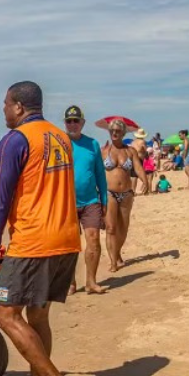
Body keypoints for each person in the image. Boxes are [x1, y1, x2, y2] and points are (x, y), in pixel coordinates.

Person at [0, 81, 79, 376]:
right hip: (65, 237)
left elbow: (0, 200)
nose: (3, 110)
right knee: (38, 317)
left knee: (5, 315)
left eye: (5, 104)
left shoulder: (16, 140)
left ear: (19, 106)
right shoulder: (59, 136)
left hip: (34, 241)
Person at [63, 105, 108, 295]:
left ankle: (91, 282)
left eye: (76, 121)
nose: (72, 124)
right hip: (66, 203)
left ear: (82, 123)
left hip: (91, 201)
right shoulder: (60, 143)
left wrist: (104, 200)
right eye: (69, 121)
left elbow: (100, 174)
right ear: (65, 123)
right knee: (69, 245)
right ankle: (70, 283)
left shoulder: (93, 144)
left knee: (94, 240)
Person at [102, 120, 148, 272]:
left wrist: (145, 180)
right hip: (110, 193)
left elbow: (138, 167)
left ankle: (116, 252)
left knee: (123, 228)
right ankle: (113, 261)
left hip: (127, 193)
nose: (114, 133)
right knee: (110, 227)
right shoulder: (103, 151)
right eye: (112, 130)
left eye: (117, 131)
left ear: (123, 133)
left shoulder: (130, 151)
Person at [131, 129, 149, 193]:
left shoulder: (133, 141)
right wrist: (146, 155)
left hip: (132, 157)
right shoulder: (142, 141)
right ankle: (134, 190)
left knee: (132, 175)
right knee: (136, 175)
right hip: (138, 158)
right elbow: (144, 149)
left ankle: (132, 190)